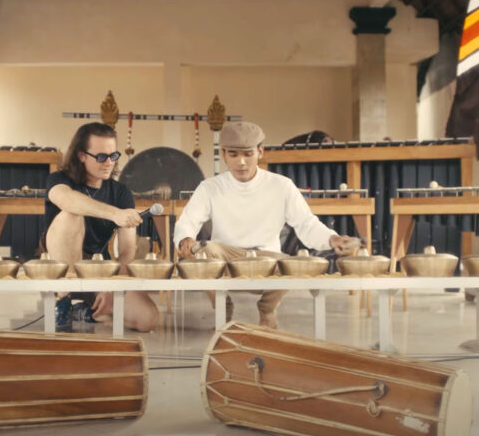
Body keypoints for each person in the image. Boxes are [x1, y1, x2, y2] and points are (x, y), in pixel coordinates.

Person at [174, 121, 358, 328]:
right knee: (203, 251)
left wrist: (332, 239)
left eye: (248, 154)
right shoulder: (209, 187)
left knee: (293, 264)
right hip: (225, 260)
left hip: (268, 259)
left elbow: (306, 223)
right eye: (233, 154)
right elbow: (187, 221)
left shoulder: (282, 185)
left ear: (260, 151)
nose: (241, 162)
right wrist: (185, 239)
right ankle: (222, 309)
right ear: (223, 154)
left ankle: (267, 309)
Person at [44, 122, 159, 332]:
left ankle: (88, 312)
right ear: (81, 156)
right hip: (61, 272)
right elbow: (66, 199)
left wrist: (112, 286)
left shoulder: (121, 192)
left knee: (147, 319)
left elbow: (127, 251)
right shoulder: (58, 180)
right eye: (101, 157)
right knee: (71, 214)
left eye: (113, 156)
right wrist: (115, 214)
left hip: (99, 270)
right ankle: (63, 300)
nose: (109, 163)